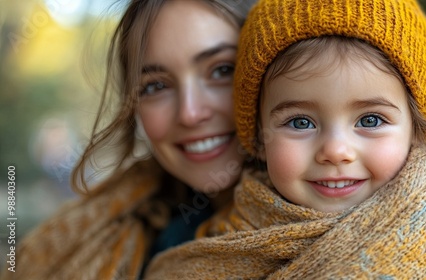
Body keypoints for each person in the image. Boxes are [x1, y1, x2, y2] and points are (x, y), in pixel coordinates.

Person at [143, 0, 426, 278]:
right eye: (300, 122)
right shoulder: (198, 243)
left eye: (370, 119)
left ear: (417, 130)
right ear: (259, 138)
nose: (335, 151)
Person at [0, 0, 256, 279]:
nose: (190, 113)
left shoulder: (308, 247)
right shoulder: (126, 236)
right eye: (156, 85)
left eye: (222, 70)